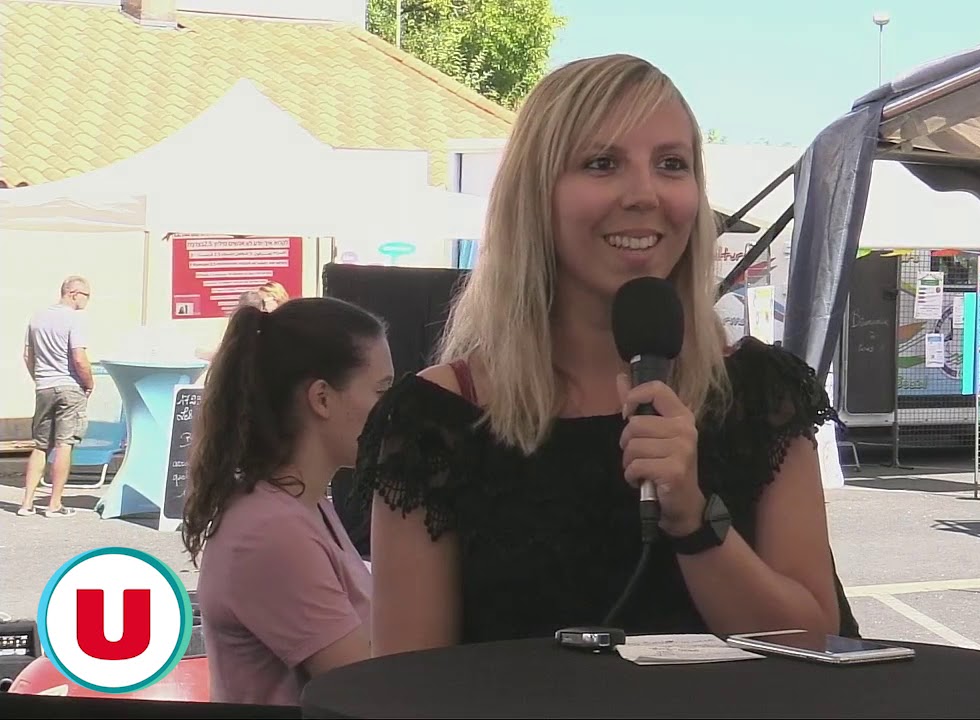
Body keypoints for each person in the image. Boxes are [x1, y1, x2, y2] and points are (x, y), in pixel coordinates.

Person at [350, 54, 857, 656]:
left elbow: (815, 641)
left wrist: (694, 519)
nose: (644, 194)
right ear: (535, 196)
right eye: (602, 163)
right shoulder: (434, 421)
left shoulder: (762, 395)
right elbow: (407, 684)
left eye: (672, 164)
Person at [182, 297, 392, 705]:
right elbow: (369, 691)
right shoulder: (271, 530)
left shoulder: (304, 505)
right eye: (382, 391)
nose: (392, 411)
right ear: (322, 399)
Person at [17, 276, 93, 518]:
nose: (87, 301)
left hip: (44, 387)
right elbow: (79, 358)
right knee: (64, 444)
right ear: (73, 293)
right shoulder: (74, 319)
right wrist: (89, 383)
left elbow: (28, 355)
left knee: (40, 445)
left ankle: (27, 503)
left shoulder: (37, 317)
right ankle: (55, 504)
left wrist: (39, 379)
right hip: (69, 387)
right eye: (86, 295)